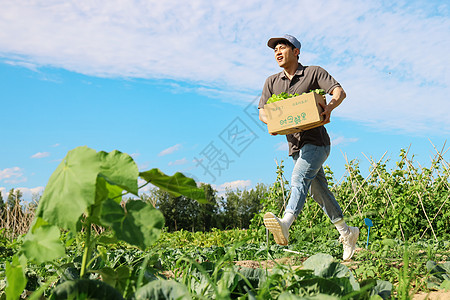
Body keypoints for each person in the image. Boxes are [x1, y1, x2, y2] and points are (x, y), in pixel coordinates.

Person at [258, 34, 359, 261]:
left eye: (282, 47)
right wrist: (270, 122)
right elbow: (263, 110)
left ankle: (286, 223)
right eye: (274, 49)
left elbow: (338, 91)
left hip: (317, 142)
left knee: (298, 177)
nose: (277, 52)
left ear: (296, 51)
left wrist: (329, 107)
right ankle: (347, 232)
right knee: (318, 191)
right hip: (295, 146)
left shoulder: (313, 72)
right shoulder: (272, 82)